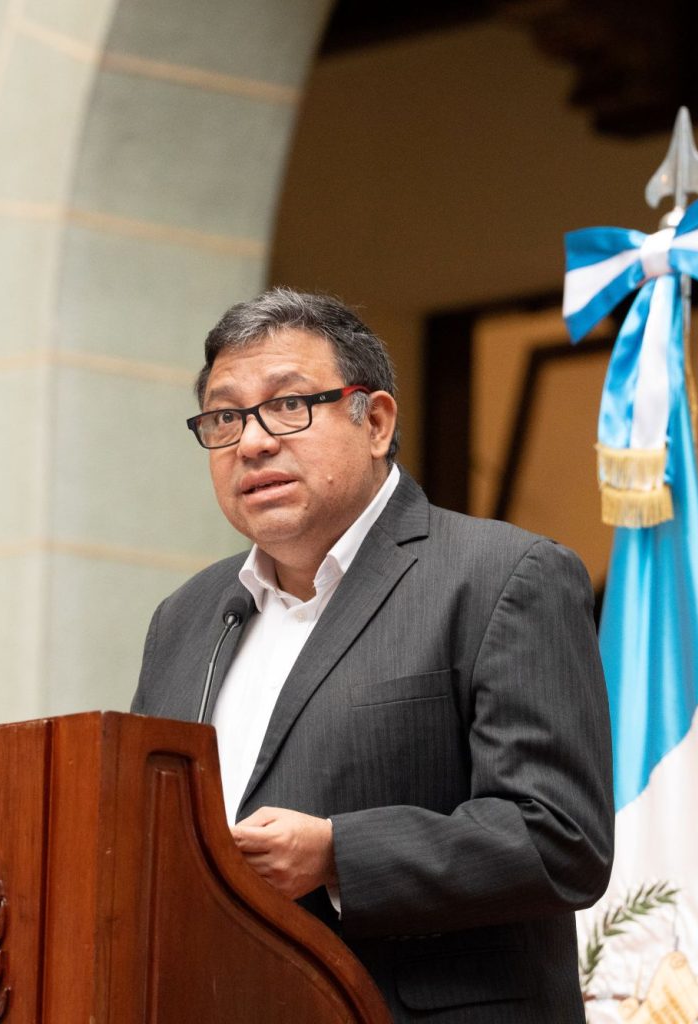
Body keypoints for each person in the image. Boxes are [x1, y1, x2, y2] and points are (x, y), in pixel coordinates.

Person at [132, 288, 614, 1022]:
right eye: (225, 417)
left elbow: (560, 839)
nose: (252, 442)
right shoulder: (186, 618)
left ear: (376, 422)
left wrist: (336, 854)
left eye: (288, 405)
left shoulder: (502, 577)